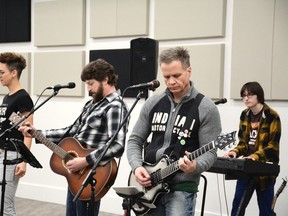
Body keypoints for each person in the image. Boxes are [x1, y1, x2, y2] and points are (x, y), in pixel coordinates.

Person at [19, 59, 129, 216]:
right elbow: (71, 132)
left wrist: (84, 161)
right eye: (87, 84)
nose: (88, 89)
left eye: (91, 84)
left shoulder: (115, 106)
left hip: (92, 173)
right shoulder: (92, 105)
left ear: (105, 79)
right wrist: (37, 133)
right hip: (76, 174)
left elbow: (117, 145)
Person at [127, 47, 222, 216]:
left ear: (189, 71)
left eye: (176, 75)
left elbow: (210, 151)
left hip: (181, 189)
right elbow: (135, 139)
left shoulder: (206, 108)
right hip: (148, 185)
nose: (171, 82)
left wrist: (195, 166)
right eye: (166, 77)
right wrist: (136, 166)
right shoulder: (153, 103)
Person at [223, 81, 281, 216]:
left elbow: (272, 147)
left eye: (249, 95)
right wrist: (234, 152)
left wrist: (255, 156)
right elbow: (243, 143)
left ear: (259, 95)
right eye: (243, 96)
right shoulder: (245, 115)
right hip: (246, 169)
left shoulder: (272, 116)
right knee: (237, 209)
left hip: (265, 172)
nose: (246, 99)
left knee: (266, 211)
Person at [0, 52, 34, 215]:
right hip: (2, 153)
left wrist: (24, 161)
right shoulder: (7, 97)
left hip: (13, 155)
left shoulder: (23, 98)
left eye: (2, 72)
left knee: (6, 205)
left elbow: (29, 132)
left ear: (14, 73)